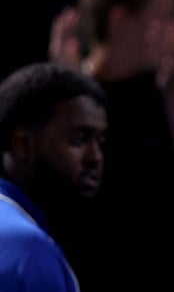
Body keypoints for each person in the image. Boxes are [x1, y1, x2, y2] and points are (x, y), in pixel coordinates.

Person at [47, 0, 174, 291]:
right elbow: (69, 199)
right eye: (164, 19)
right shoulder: (74, 95)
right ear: (120, 20)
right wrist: (66, 95)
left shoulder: (165, 88)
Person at [0, 62, 108, 292]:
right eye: (79, 139)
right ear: (23, 144)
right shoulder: (28, 250)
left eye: (100, 142)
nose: (95, 157)